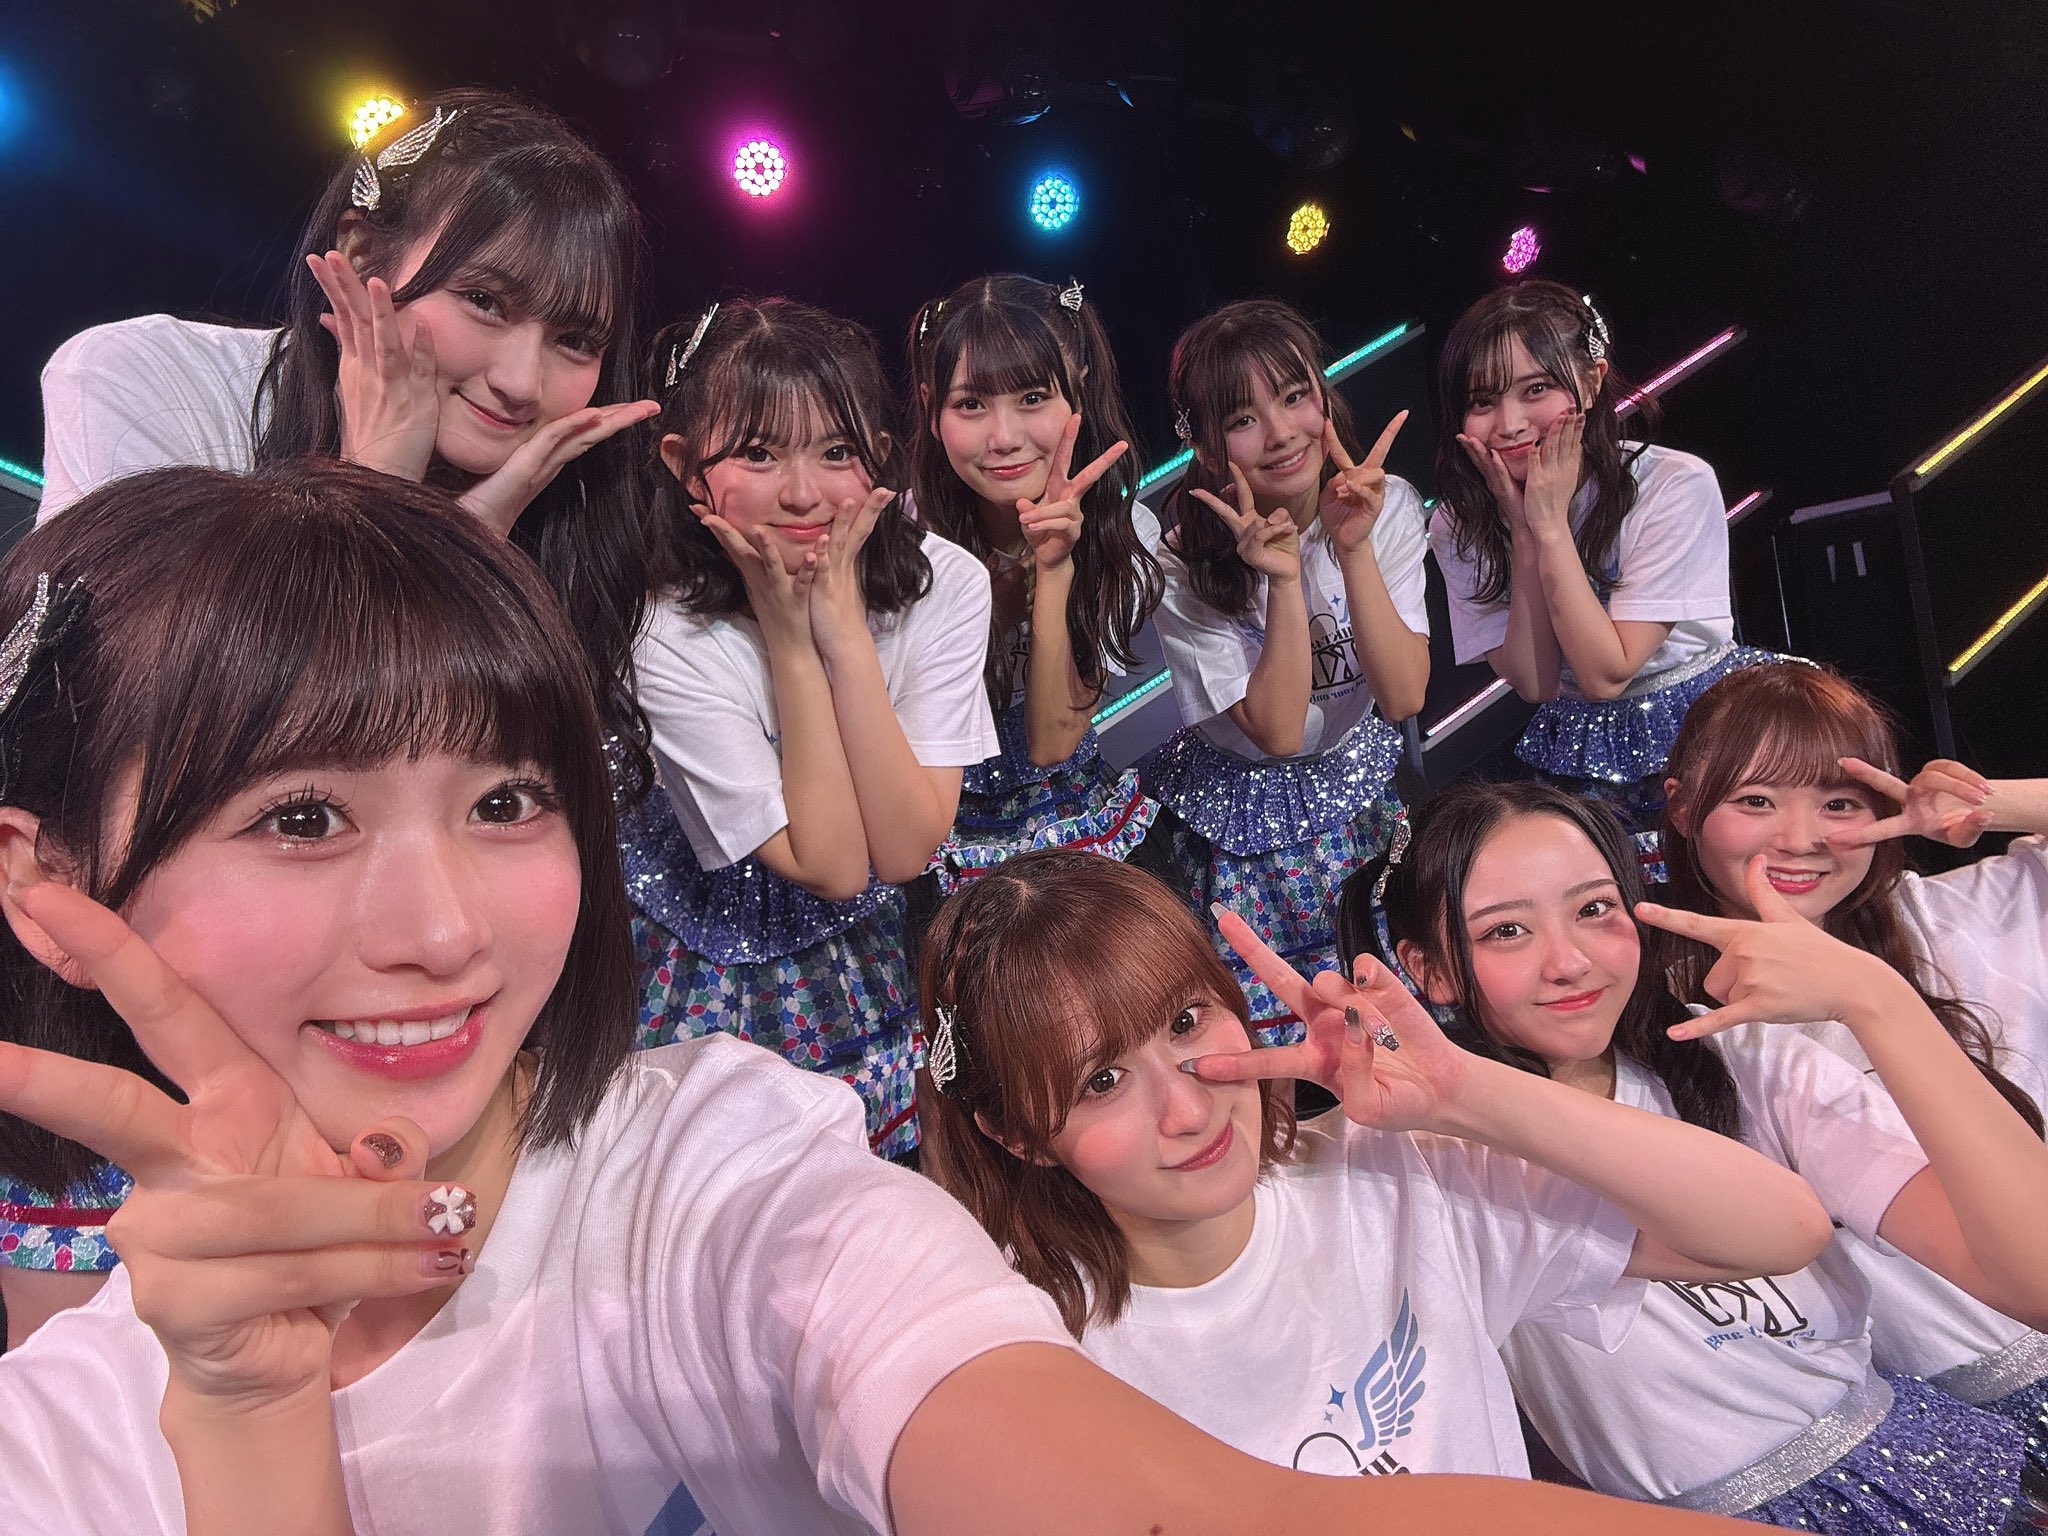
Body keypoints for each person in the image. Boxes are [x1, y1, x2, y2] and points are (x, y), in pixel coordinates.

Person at [0, 458, 1759, 1536]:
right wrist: (249, 1428)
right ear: (49, 874)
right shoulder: (54, 1444)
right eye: (302, 817)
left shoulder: (710, 1168)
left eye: (507, 800)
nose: (444, 929)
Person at [20, 88, 659, 1326]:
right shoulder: (144, 375)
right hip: (131, 1033)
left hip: (385, 1061)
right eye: (486, 301)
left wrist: (462, 539)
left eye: (574, 337)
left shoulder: (574, 512)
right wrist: (386, 497)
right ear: (358, 257)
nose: (524, 378)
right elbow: (135, 736)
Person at [915, 847, 1830, 1477]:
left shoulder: (1395, 1180)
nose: (1188, 1108)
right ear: (1016, 1133)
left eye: (1188, 1022)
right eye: (1102, 1081)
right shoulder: (1020, 1356)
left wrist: (1465, 1094)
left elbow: (1781, 1228)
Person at [1362, 778, 2047, 1529]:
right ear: (1427, 968)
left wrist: (1875, 999)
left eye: (1593, 910)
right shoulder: (1425, 1156)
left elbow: (2034, 1280)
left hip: (1910, 1471)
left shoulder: (1744, 1058)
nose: (1569, 962)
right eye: (1506, 931)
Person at [1660, 661, 2048, 1490]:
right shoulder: (1674, 1025)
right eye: (1756, 800)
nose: (1801, 838)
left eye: (1839, 804)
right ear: (1684, 807)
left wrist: (1992, 805)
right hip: (1963, 1441)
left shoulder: (1950, 917)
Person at [627, 297, 993, 1157]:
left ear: (882, 456)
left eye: (836, 452)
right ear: (683, 465)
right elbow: (829, 865)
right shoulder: (661, 633)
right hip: (710, 956)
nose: (802, 493)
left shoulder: (946, 583)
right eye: (758, 453)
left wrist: (844, 634)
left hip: (878, 938)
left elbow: (903, 852)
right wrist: (792, 641)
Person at [1139, 298, 1429, 1038]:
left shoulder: (1387, 504)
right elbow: (1277, 730)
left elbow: (1403, 695)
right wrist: (1285, 579)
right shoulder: (1179, 562)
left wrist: (1352, 546)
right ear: (1205, 445)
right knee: (1271, 1030)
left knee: (1395, 1015)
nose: (1280, 434)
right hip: (1237, 817)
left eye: (1296, 396)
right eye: (1243, 418)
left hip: (1355, 786)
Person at [1427, 280, 1773, 833]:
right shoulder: (1459, 525)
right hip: (1578, 745)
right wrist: (1523, 531)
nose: (1509, 424)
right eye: (1482, 402)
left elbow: (1606, 672)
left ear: (1590, 382)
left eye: (1536, 389)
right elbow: (1536, 682)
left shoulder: (1672, 484)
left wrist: (1548, 524)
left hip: (1707, 727)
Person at [903, 274, 1163, 891]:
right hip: (929, 830)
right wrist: (979, 614)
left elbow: (1052, 741)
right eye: (970, 404)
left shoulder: (1125, 532)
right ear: (931, 410)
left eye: (1032, 397)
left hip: (1075, 816)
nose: (1003, 438)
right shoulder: (900, 543)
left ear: (1078, 392)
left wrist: (1055, 567)